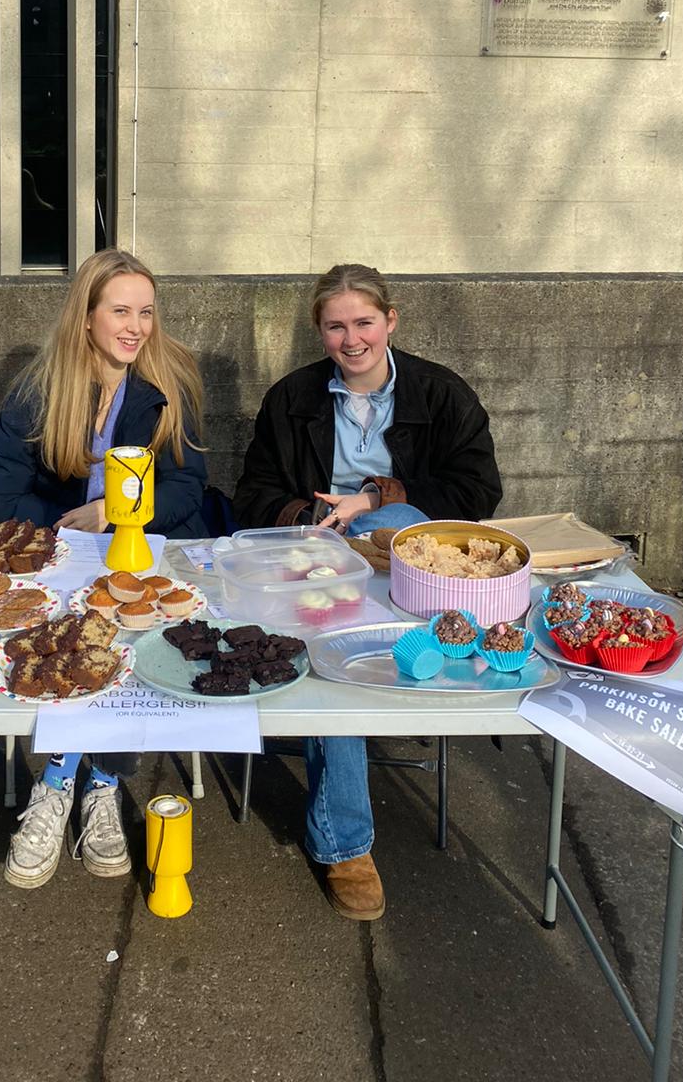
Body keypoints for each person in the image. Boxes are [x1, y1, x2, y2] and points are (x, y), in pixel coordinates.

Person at [233, 262, 502, 921]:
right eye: (335, 326)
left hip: (408, 561)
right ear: (319, 331)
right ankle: (344, 845)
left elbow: (476, 492)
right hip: (320, 560)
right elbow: (253, 495)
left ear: (391, 320)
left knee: (396, 525)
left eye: (363, 322)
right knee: (333, 651)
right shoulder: (291, 399)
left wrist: (377, 498)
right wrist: (308, 518)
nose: (351, 339)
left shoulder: (441, 394)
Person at [0, 248, 207, 888]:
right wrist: (56, 531)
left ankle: (95, 782)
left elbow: (190, 487)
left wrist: (118, 508)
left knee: (127, 641)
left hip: (143, 550)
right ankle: (60, 784)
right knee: (69, 648)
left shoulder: (171, 384)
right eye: (121, 311)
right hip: (61, 555)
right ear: (86, 317)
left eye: (146, 312)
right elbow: (0, 489)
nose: (136, 327)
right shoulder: (39, 388)